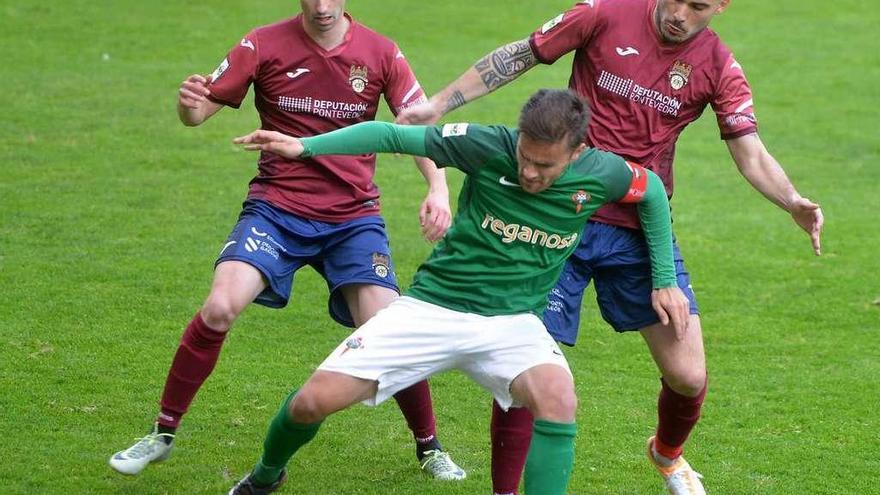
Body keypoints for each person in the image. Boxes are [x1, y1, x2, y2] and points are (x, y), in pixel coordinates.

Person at [395, 1, 824, 494]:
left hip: (639, 225)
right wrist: (442, 103)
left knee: (687, 374)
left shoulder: (718, 65)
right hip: (560, 218)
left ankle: (667, 455)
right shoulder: (602, 12)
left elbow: (749, 149)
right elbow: (523, 54)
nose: (681, 13)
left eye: (699, 5)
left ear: (722, 6)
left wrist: (790, 200)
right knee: (525, 366)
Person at [225, 88, 689, 495]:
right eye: (525, 157)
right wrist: (305, 146)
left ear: (576, 152)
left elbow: (650, 194)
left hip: (513, 324)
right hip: (433, 308)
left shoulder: (602, 173)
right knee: (311, 403)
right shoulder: (486, 145)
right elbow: (391, 136)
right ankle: (266, 475)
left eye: (544, 165)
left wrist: (665, 279)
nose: (529, 172)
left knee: (559, 397)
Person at [108, 0, 467, 481]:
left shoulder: (381, 53)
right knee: (219, 307)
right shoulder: (262, 43)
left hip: (352, 218)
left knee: (389, 330)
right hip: (277, 209)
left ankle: (429, 447)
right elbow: (197, 115)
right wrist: (187, 105)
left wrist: (438, 187)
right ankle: (162, 433)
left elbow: (418, 123)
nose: (322, 7)